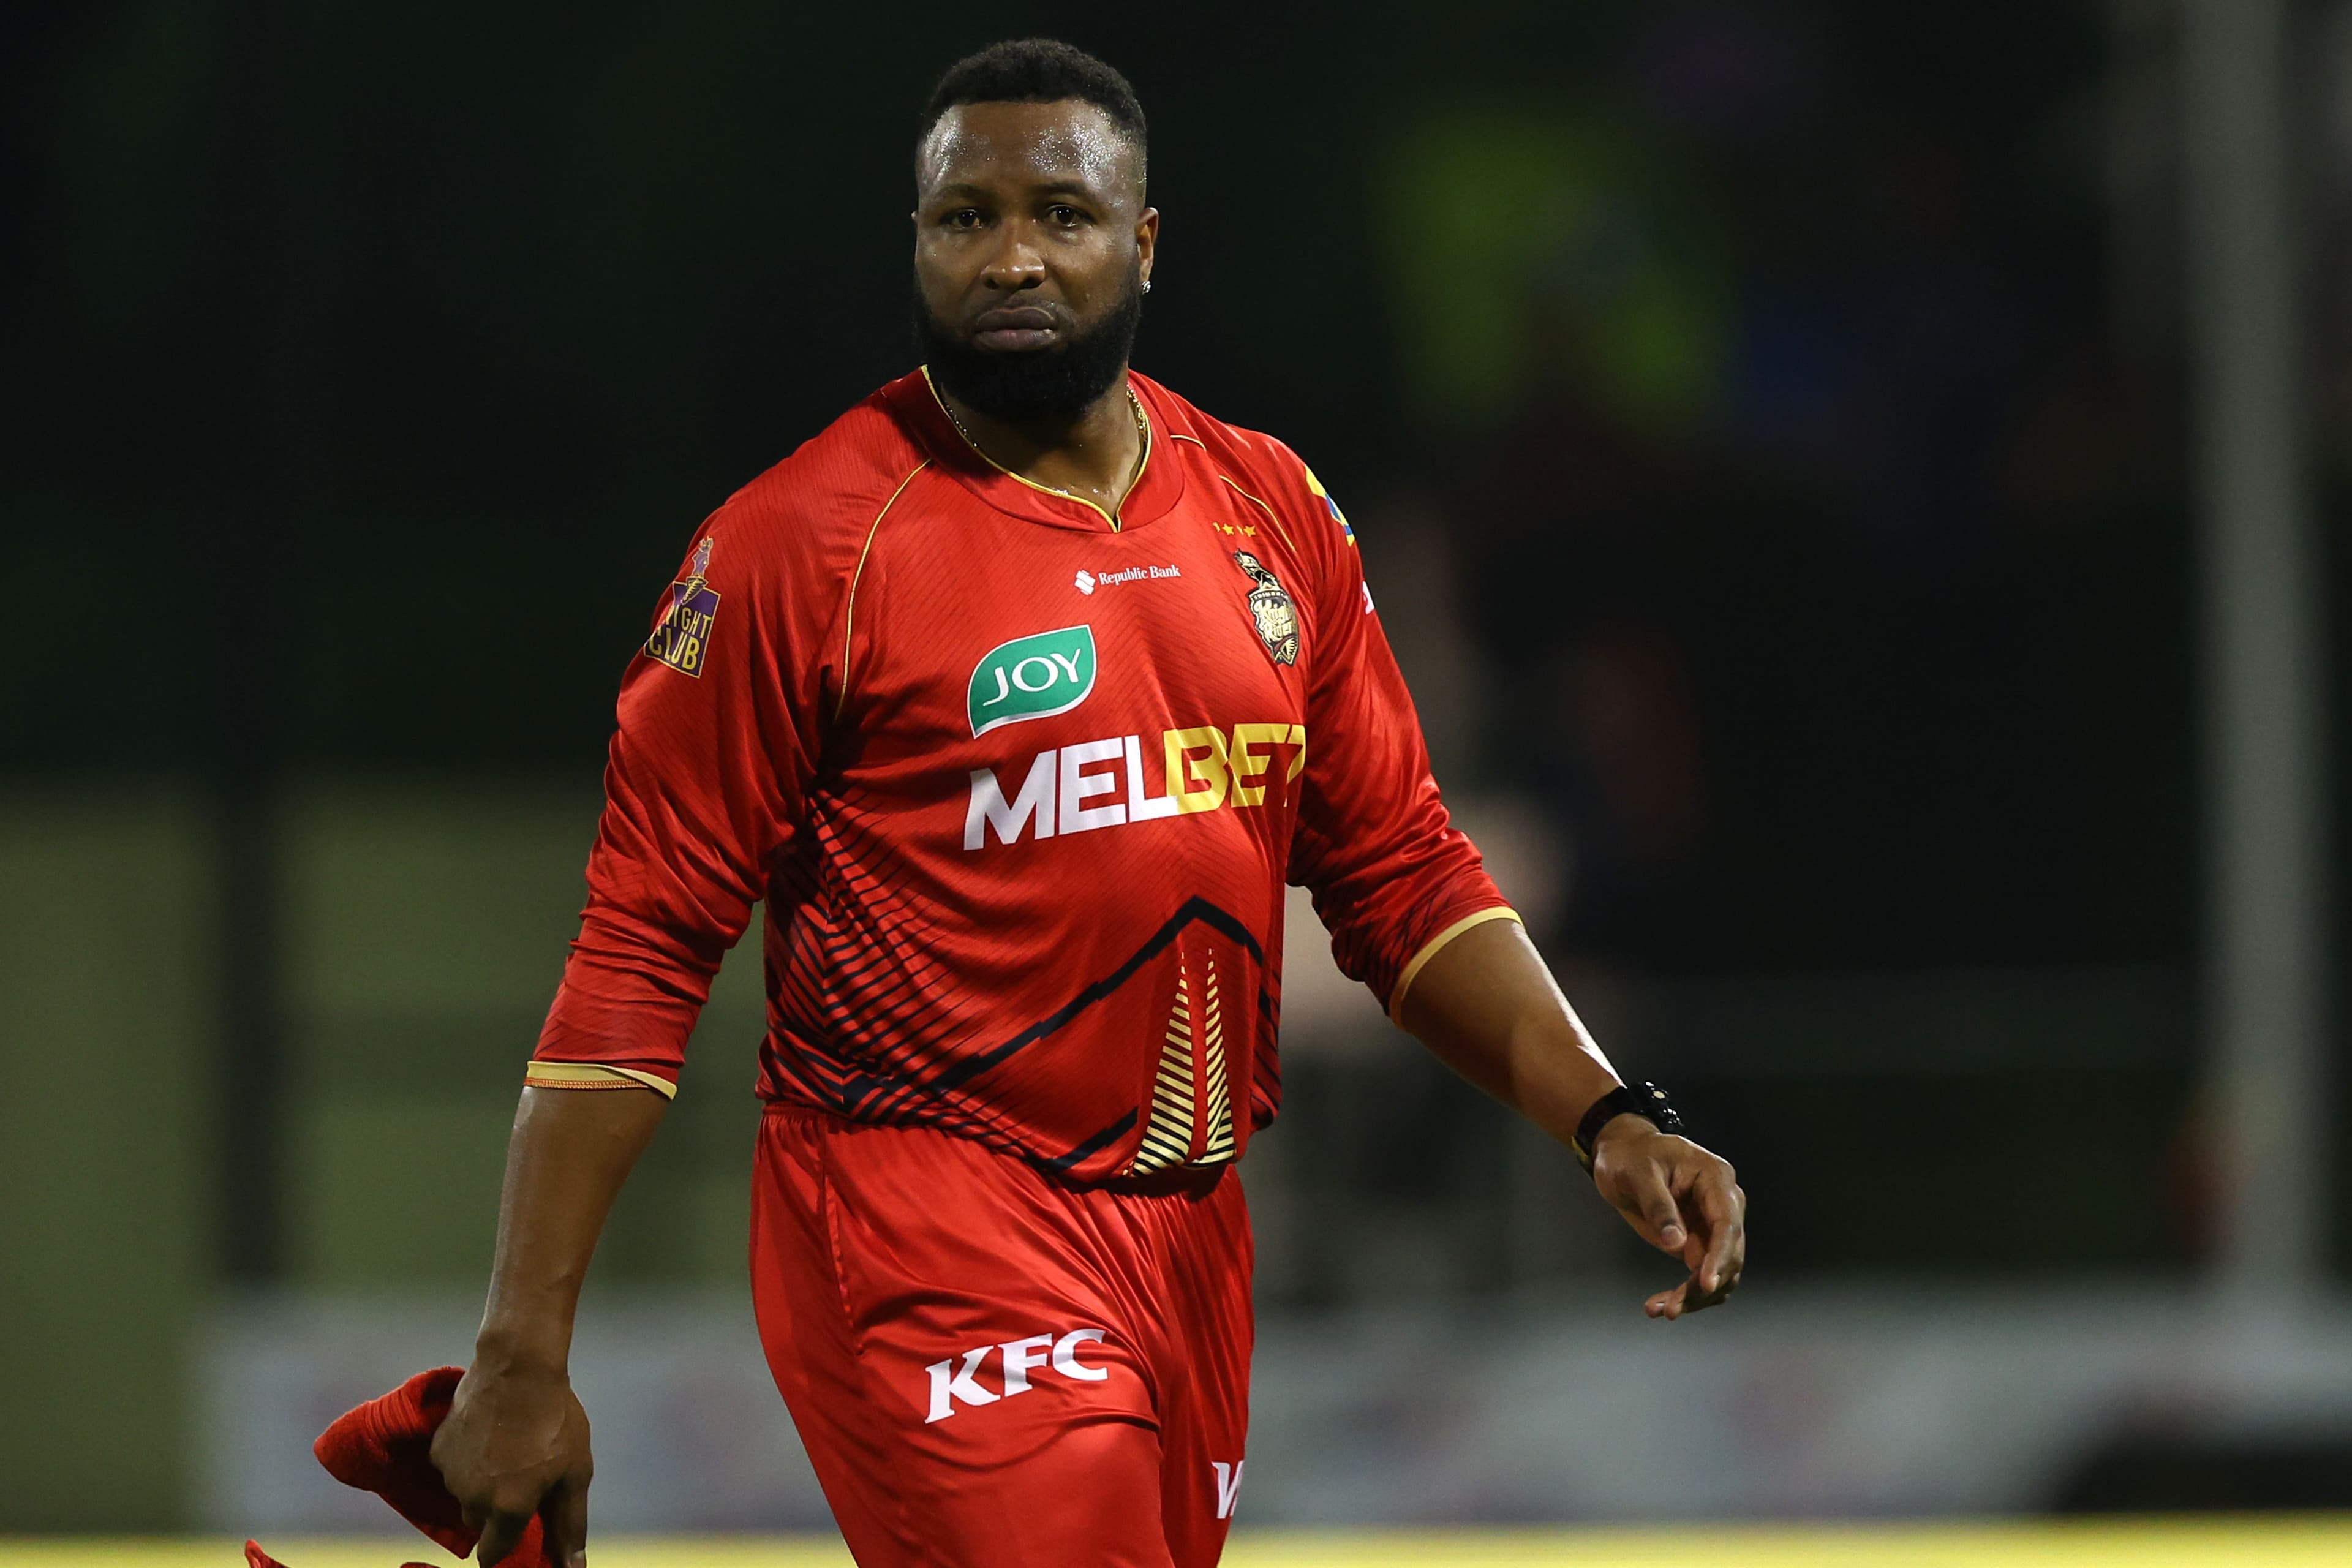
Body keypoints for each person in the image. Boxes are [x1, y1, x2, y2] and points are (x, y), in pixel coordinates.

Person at [428, 37, 1746, 1568]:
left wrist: (1600, 1111)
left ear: (1144, 241)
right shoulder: (797, 551)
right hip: (925, 1217)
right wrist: (523, 1347)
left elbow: (1400, 870)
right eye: (962, 219)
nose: (1010, 257)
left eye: (1059, 213)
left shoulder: (1270, 509)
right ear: (913, 243)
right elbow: (641, 950)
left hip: (1188, 1231)